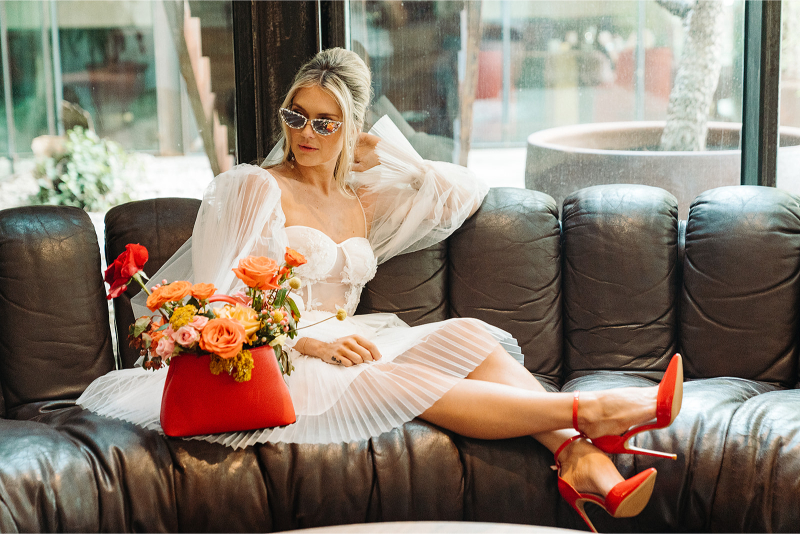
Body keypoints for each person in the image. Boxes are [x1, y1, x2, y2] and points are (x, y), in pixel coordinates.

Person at [78, 48, 683, 533]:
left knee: (469, 336)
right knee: (403, 380)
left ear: (351, 127)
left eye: (326, 122)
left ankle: (581, 461)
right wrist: (307, 345)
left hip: (358, 339)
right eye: (296, 116)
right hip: (285, 355)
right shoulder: (254, 186)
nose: (306, 133)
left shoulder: (358, 200)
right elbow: (218, 296)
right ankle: (591, 416)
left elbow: (454, 187)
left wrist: (378, 151)